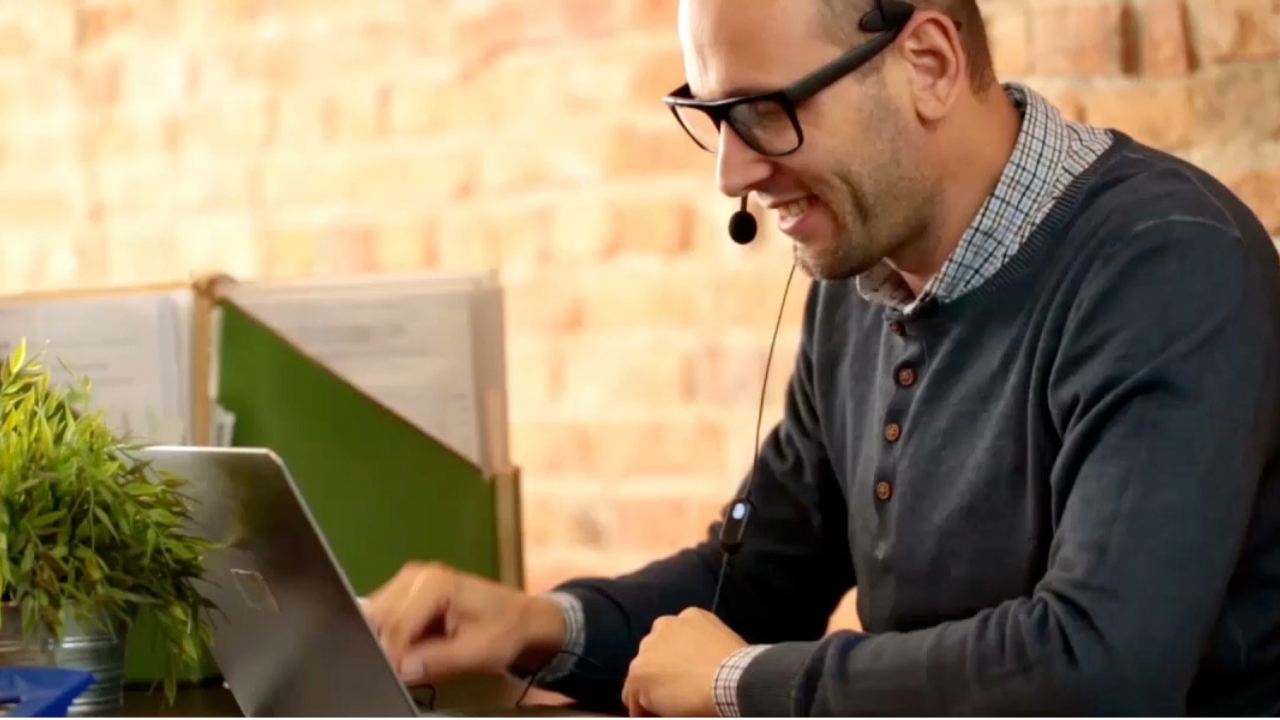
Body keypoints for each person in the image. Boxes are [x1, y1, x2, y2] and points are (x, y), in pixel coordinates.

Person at [364, 0, 1280, 715]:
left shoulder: (1169, 261)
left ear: (928, 64)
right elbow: (761, 580)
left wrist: (741, 687)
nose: (732, 172)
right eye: (711, 113)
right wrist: (536, 625)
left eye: (765, 109)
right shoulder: (861, 276)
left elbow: (1099, 674)